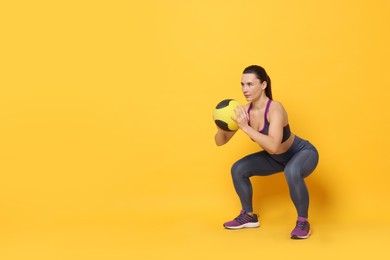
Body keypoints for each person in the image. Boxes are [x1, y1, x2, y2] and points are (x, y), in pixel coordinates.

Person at [214, 65, 319, 239]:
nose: (244, 90)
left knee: (291, 171)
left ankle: (303, 222)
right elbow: (221, 141)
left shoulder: (275, 109)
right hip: (276, 159)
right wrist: (221, 125)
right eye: (242, 85)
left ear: (263, 85)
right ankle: (248, 215)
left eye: (250, 84)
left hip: (301, 153)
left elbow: (274, 146)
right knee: (238, 169)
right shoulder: (245, 112)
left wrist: (245, 127)